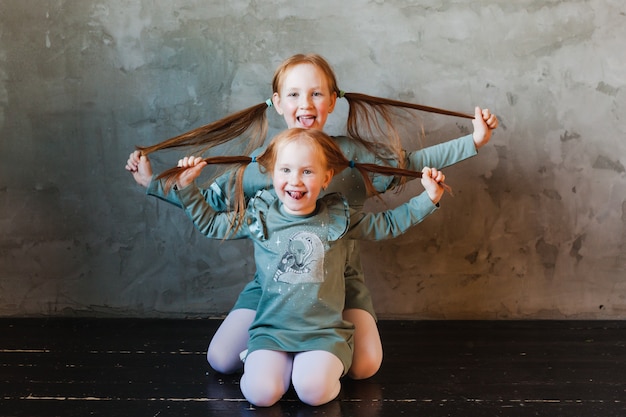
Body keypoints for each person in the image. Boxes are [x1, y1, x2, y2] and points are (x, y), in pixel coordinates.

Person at [125, 53, 499, 379]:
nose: (306, 102)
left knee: (366, 367)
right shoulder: (264, 164)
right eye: (294, 94)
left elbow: (413, 164)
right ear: (277, 102)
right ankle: (276, 355)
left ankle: (317, 353)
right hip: (274, 287)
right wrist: (152, 182)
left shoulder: (350, 158)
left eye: (316, 93)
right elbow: (206, 202)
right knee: (221, 360)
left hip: (339, 285)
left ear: (333, 101)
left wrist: (474, 141)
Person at [167, 127, 448, 406]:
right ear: (272, 174)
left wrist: (428, 198)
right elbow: (211, 223)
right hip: (272, 330)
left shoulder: (337, 218)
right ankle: (275, 366)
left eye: (307, 172)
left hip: (322, 333)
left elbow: (387, 224)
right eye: (286, 170)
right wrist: (188, 187)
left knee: (314, 392)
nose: (295, 181)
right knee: (260, 394)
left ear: (326, 178)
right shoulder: (261, 215)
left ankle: (310, 366)